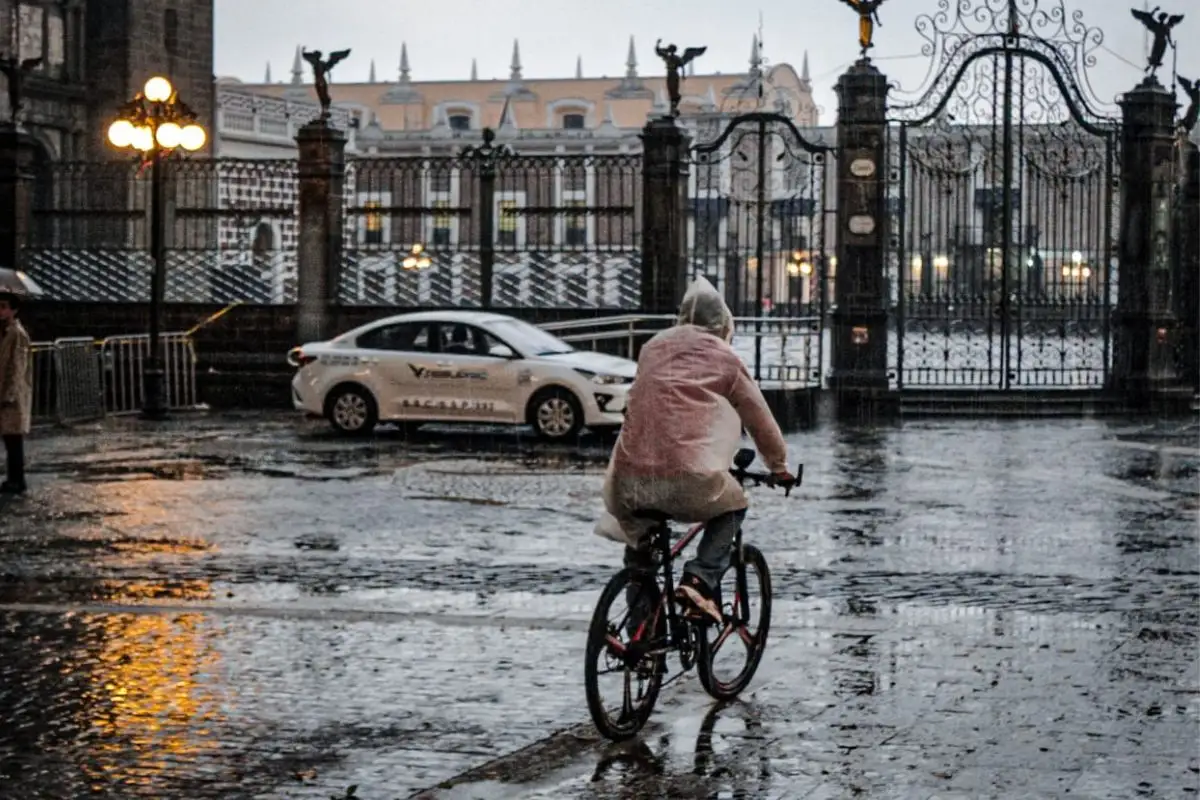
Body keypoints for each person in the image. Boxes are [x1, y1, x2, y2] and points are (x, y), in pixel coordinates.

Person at [595, 277, 793, 624]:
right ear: (723, 323)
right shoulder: (725, 358)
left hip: (630, 477)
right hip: (689, 476)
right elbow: (759, 418)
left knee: (640, 556)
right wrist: (778, 465)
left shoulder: (652, 347)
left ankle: (640, 639)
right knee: (732, 506)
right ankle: (699, 580)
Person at [0, 291, 32, 494]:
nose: (0, 310)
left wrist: (9, 395)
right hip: (4, 391)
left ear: (14, 310)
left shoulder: (17, 334)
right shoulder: (5, 332)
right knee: (9, 437)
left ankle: (17, 479)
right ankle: (13, 477)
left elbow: (17, 367)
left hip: (11, 396)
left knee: (13, 439)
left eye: (4, 306)